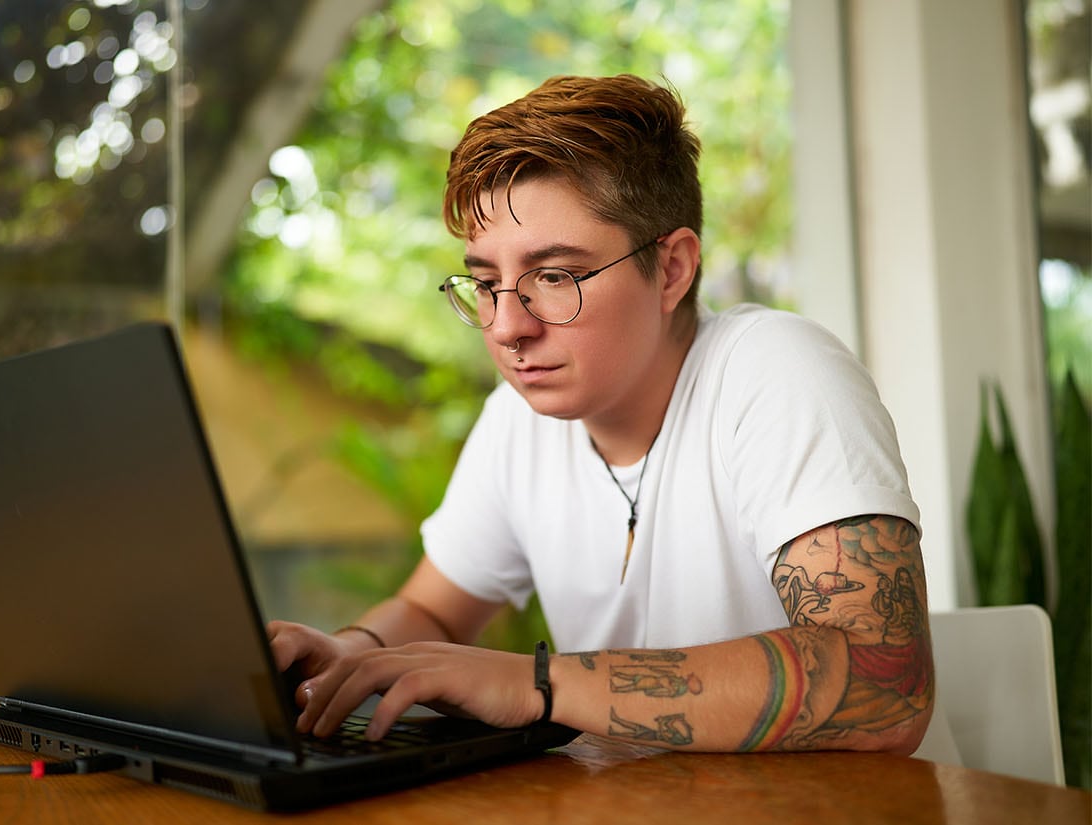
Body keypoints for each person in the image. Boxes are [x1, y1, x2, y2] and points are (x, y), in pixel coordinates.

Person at [269, 74, 933, 754]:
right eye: (487, 283)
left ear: (671, 268)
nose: (505, 327)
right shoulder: (518, 420)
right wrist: (347, 651)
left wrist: (539, 685)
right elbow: (434, 608)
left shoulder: (779, 371)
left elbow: (888, 689)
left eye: (554, 277)